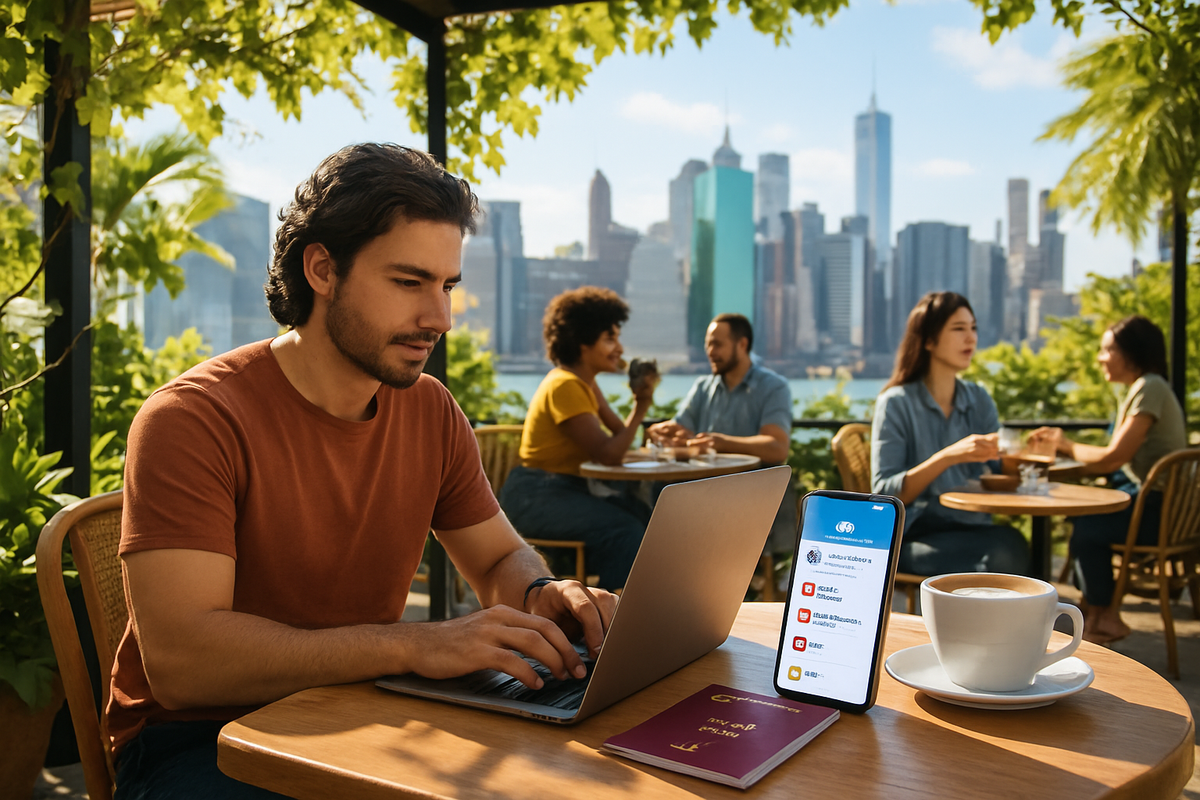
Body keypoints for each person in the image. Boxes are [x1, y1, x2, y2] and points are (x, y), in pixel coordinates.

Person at [109, 144, 616, 799]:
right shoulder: (194, 418)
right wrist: (413, 646)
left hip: (360, 710)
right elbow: (184, 665)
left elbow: (495, 563)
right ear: (322, 268)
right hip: (200, 743)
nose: (439, 318)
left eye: (447, 286)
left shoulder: (430, 411)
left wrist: (544, 596)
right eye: (410, 283)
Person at [1029, 315, 1187, 644]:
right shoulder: (1142, 388)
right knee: (1084, 520)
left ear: (1132, 351)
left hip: (1157, 512)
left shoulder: (1150, 387)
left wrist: (1065, 444)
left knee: (1088, 530)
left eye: (1108, 349)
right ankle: (1094, 610)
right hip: (1155, 506)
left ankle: (1104, 616)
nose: (1101, 357)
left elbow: (1112, 458)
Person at [499, 287, 656, 590]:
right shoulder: (565, 385)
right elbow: (610, 455)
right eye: (610, 338)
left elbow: (617, 441)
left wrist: (640, 404)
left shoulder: (585, 384)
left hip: (564, 492)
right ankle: (611, 618)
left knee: (645, 516)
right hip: (537, 496)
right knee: (625, 530)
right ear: (583, 342)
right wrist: (641, 408)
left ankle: (640, 604)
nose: (620, 349)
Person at [871, 291, 1028, 576]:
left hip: (973, 527)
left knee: (1015, 544)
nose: (971, 338)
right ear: (929, 340)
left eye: (973, 328)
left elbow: (1001, 470)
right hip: (914, 536)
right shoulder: (895, 403)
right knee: (1003, 558)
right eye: (959, 329)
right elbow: (884, 493)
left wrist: (1024, 452)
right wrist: (948, 457)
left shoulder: (978, 398)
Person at [647, 314, 796, 557]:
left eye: (717, 344)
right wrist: (663, 431)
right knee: (657, 493)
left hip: (748, 495)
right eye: (707, 344)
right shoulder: (703, 387)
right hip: (703, 491)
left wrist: (721, 443)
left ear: (742, 344)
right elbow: (681, 428)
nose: (710, 351)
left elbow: (777, 447)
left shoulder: (773, 387)